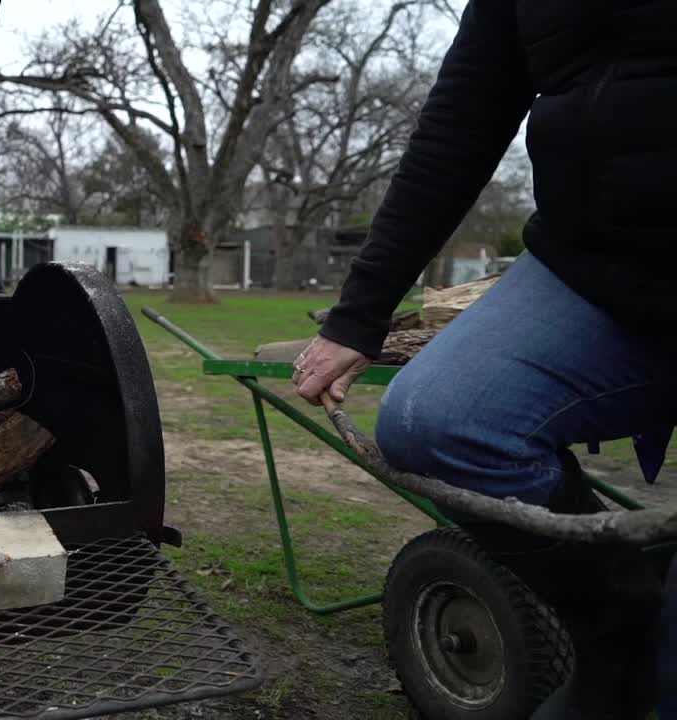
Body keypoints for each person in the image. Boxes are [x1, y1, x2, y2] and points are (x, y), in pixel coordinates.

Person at [288, 1, 677, 718]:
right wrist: (360, 312)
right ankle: (620, 624)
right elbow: (459, 123)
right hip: (590, 263)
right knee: (434, 419)